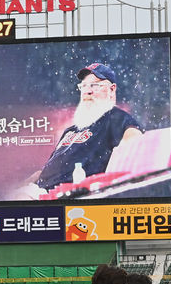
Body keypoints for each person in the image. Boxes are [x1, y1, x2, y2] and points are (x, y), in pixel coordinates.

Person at [33, 63, 145, 191]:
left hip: (70, 194)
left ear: (112, 89)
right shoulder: (71, 130)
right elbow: (50, 168)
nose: (87, 91)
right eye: (84, 86)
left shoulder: (117, 119)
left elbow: (134, 157)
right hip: (36, 191)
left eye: (95, 85)